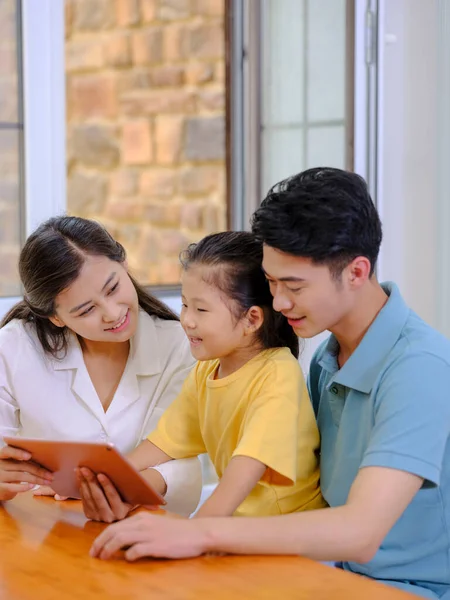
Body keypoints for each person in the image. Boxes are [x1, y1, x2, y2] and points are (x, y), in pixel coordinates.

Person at [90, 169, 450, 600]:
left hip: (407, 588)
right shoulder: (327, 358)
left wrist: (202, 533)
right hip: (326, 574)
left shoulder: (420, 367)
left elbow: (360, 532)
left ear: (356, 271)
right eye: (272, 283)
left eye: (294, 286)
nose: (277, 302)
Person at [80, 231, 325, 521]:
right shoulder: (207, 370)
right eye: (184, 305)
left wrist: (192, 533)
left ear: (252, 319)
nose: (187, 320)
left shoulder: (278, 375)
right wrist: (106, 478)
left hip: (288, 535)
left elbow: (242, 474)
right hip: (240, 525)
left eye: (201, 309)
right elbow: (166, 441)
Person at [0, 216, 201, 517]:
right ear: (56, 317)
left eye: (113, 288)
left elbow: (182, 459)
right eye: (86, 310)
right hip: (42, 534)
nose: (112, 313)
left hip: (142, 532)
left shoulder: (179, 346)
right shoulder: (14, 347)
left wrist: (128, 492)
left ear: (123, 263)